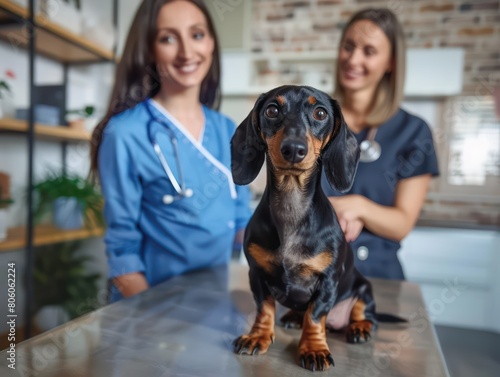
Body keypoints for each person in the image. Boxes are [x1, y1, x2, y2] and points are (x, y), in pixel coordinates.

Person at [90, 0, 252, 302]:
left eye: (197, 35)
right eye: (168, 38)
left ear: (212, 43)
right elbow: (122, 253)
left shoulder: (227, 129)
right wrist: (154, 325)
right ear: (150, 49)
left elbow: (242, 222)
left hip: (212, 305)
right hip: (149, 311)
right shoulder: (125, 133)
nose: (187, 52)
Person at [322, 8, 439, 280]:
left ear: (391, 63)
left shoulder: (413, 132)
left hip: (377, 279)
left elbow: (401, 224)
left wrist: (357, 206)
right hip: (308, 275)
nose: (353, 59)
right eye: (348, 47)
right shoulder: (314, 121)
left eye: (369, 51)